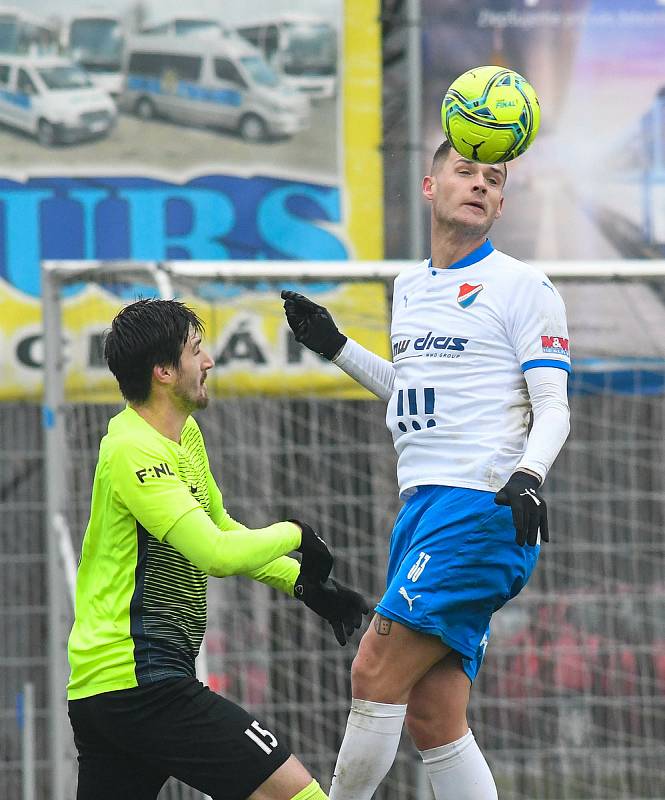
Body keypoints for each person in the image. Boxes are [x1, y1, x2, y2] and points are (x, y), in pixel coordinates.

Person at [281, 139, 571, 800]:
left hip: (481, 508)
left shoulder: (524, 287)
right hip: (422, 512)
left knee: (373, 671)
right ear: (428, 186)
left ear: (499, 202)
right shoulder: (409, 288)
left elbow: (553, 406)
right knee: (432, 717)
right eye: (463, 171)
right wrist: (336, 347)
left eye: (491, 179)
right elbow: (414, 395)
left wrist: (529, 475)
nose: (477, 184)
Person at [66, 298, 369, 800]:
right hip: (143, 682)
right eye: (196, 351)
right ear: (163, 371)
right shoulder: (134, 450)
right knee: (294, 794)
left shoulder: (183, 433)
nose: (208, 362)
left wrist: (302, 582)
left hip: (112, 689)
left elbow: (221, 527)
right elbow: (216, 554)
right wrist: (297, 533)